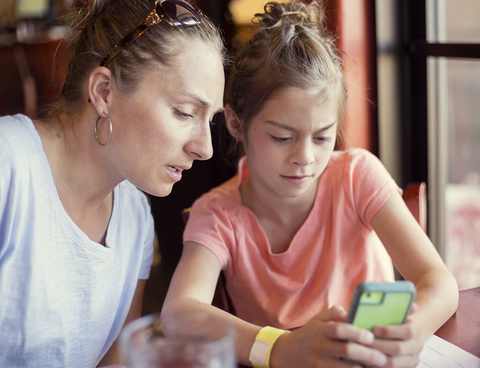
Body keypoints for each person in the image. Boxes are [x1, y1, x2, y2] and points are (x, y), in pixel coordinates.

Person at [161, 1, 458, 367]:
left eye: (322, 138)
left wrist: (411, 332)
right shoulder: (218, 214)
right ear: (236, 124)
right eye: (282, 137)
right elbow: (178, 313)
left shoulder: (356, 176)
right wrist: (280, 348)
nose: (305, 158)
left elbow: (438, 282)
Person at [0, 0, 226, 366]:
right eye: (185, 113)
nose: (204, 148)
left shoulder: (134, 215)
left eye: (210, 120)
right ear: (105, 93)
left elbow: (118, 358)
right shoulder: (9, 168)